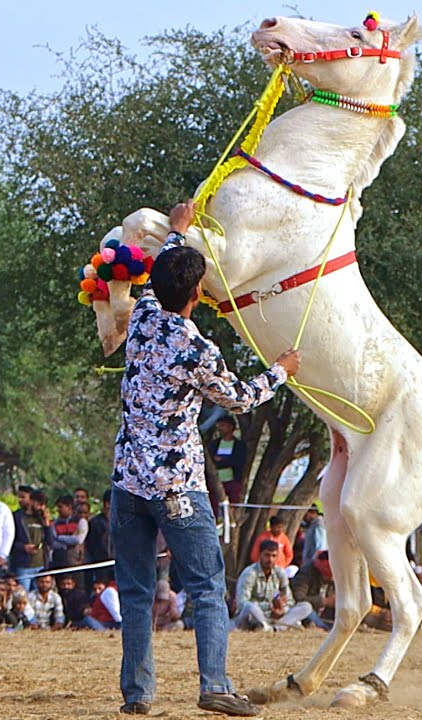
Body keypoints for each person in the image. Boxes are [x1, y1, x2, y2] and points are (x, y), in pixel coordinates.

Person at [107, 200, 299, 716]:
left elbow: (154, 277)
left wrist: (177, 231)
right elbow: (239, 396)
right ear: (197, 293)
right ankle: (213, 685)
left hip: (128, 484)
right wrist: (282, 370)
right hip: (178, 488)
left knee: (136, 592)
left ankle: (138, 695)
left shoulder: (143, 316)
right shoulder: (196, 348)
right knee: (208, 588)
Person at [233, 540, 312, 631]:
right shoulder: (250, 573)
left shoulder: (280, 573)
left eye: (274, 556)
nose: (270, 560)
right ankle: (279, 626)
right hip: (256, 615)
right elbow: (242, 604)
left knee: (306, 607)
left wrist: (281, 609)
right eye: (267, 555)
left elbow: (290, 600)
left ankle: (274, 628)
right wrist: (271, 607)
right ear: (260, 555)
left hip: (276, 616)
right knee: (249, 607)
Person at [12, 488, 51, 590]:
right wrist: (23, 547)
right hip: (23, 566)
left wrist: (47, 523)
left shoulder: (42, 518)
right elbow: (10, 541)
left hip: (41, 565)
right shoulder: (17, 517)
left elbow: (50, 541)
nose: (41, 508)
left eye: (43, 505)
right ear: (32, 501)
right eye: (39, 504)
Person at [290, 549, 334, 629]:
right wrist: (325, 601)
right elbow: (298, 598)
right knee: (306, 608)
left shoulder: (338, 578)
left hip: (327, 615)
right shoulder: (305, 574)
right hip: (308, 612)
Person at [209, 415, 247, 505]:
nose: (220, 429)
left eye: (222, 426)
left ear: (230, 427)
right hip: (216, 481)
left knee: (233, 504)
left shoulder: (239, 445)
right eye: (219, 426)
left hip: (232, 481)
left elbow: (239, 462)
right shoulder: (214, 444)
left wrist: (222, 461)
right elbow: (211, 461)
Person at [50, 494, 88, 573]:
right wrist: (68, 541)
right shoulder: (54, 523)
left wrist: (59, 538)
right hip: (58, 562)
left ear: (69, 506)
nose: (58, 510)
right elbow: (52, 542)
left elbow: (78, 539)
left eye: (60, 507)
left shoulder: (81, 521)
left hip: (76, 563)